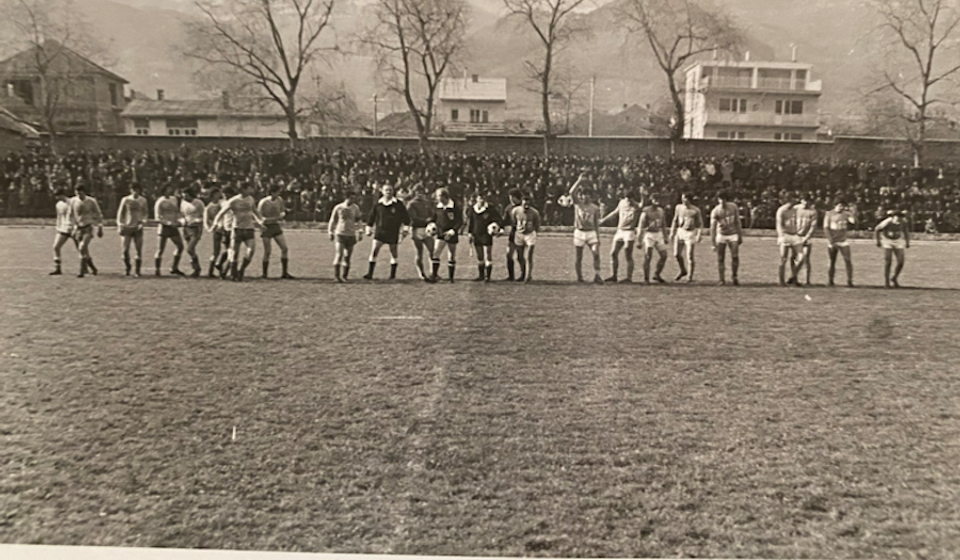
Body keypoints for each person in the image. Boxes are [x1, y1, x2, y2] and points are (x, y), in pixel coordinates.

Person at [211, 181, 263, 282]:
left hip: (249, 229)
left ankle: (241, 270)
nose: (251, 190)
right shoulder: (233, 201)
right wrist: (215, 223)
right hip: (237, 229)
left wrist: (260, 222)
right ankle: (234, 275)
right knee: (234, 254)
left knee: (251, 251)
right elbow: (220, 213)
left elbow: (255, 211)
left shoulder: (251, 199)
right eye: (249, 188)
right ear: (243, 189)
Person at [363, 183, 410, 280]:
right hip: (380, 232)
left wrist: (405, 229)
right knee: (374, 251)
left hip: (393, 232)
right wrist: (368, 228)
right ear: (382, 191)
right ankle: (370, 273)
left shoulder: (398, 204)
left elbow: (406, 218)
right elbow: (371, 217)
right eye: (386, 190)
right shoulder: (378, 204)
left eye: (390, 190)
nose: (388, 192)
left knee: (393, 253)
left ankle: (392, 275)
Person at [566, 173, 604, 284]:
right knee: (579, 256)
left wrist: (598, 236)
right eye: (583, 194)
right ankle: (579, 277)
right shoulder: (578, 204)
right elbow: (571, 192)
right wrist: (579, 181)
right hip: (579, 232)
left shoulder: (595, 208)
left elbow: (596, 223)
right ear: (581, 196)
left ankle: (597, 274)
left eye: (588, 195)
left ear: (591, 197)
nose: (585, 196)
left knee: (596, 253)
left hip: (591, 232)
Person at [600, 187, 640, 283]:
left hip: (629, 231)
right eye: (627, 199)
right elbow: (614, 213)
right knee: (613, 253)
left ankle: (629, 278)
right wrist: (603, 220)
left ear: (633, 199)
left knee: (628, 253)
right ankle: (613, 276)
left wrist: (643, 195)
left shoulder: (636, 206)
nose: (628, 201)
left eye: (630, 199)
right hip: (620, 231)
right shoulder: (622, 203)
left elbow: (642, 204)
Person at [258, 184, 294, 279]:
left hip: (275, 226)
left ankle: (284, 273)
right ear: (272, 192)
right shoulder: (263, 202)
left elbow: (282, 210)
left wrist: (283, 214)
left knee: (284, 248)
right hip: (266, 227)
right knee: (268, 251)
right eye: (278, 192)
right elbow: (260, 218)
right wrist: (275, 218)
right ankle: (264, 274)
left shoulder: (279, 200)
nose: (279, 193)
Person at [68, 184, 104, 278]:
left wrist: (100, 226)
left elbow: (98, 213)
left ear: (84, 192)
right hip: (78, 228)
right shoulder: (73, 201)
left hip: (88, 227)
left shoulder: (91, 201)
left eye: (80, 193)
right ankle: (93, 268)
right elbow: (70, 215)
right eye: (77, 193)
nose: (79, 195)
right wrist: (72, 226)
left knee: (82, 247)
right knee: (84, 251)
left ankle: (82, 271)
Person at [466, 191, 503, 282]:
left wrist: (499, 227)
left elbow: (499, 219)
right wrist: (469, 233)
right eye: (479, 197)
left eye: (483, 197)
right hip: (476, 234)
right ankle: (481, 275)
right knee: (480, 256)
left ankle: (488, 277)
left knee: (488, 254)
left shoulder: (490, 209)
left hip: (486, 234)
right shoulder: (472, 209)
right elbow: (470, 222)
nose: (481, 199)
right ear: (476, 198)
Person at [328, 190, 364, 282]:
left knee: (347, 256)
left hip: (351, 234)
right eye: (351, 198)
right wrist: (330, 231)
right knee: (339, 254)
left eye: (354, 198)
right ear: (346, 198)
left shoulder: (355, 208)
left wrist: (360, 231)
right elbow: (332, 220)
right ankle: (336, 276)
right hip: (340, 233)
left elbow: (359, 220)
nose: (353, 200)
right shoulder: (338, 207)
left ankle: (344, 276)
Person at [430, 187, 463, 283]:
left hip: (451, 234)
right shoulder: (437, 207)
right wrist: (431, 224)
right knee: (436, 253)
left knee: (451, 255)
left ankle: (451, 278)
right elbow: (434, 218)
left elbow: (460, 221)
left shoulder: (455, 206)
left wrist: (453, 231)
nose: (437, 197)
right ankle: (434, 276)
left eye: (438, 195)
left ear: (445, 196)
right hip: (440, 233)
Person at [709, 190, 743, 286]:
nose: (722, 201)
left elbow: (737, 221)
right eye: (720, 199)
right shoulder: (715, 211)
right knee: (720, 258)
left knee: (735, 256)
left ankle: (734, 276)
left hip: (733, 234)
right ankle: (721, 279)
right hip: (722, 235)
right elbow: (712, 228)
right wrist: (713, 242)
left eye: (723, 199)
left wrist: (740, 235)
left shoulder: (733, 207)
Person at [404, 187, 437, 282]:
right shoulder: (411, 204)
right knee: (419, 253)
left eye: (421, 191)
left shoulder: (427, 202)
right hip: (417, 229)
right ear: (414, 192)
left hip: (428, 229)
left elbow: (432, 213)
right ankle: (421, 273)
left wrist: (431, 220)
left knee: (432, 252)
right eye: (418, 191)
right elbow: (412, 217)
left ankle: (433, 273)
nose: (420, 193)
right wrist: (424, 220)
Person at [669, 192, 703, 283]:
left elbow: (700, 224)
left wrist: (699, 234)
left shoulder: (695, 210)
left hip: (690, 232)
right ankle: (683, 270)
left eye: (685, 198)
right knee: (676, 254)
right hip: (680, 231)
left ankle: (690, 276)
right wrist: (672, 232)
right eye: (682, 198)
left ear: (689, 199)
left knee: (690, 255)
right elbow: (675, 220)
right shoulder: (678, 207)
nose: (683, 200)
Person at [116, 182, 148, 276]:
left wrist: (143, 222)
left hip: (137, 227)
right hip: (127, 227)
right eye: (133, 190)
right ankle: (128, 266)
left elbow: (145, 213)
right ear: (131, 190)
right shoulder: (125, 200)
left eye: (137, 190)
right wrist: (119, 224)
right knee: (125, 250)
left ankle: (137, 271)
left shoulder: (143, 200)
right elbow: (120, 213)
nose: (135, 192)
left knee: (138, 250)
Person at [823, 198, 856, 287]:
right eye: (840, 205)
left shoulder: (846, 214)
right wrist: (830, 240)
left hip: (843, 240)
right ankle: (830, 280)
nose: (841, 207)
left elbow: (853, 221)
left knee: (847, 260)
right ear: (835, 205)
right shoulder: (829, 214)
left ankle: (849, 280)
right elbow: (826, 228)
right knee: (831, 261)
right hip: (833, 240)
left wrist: (852, 213)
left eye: (843, 206)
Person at [154, 183, 185, 276]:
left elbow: (177, 212)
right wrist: (168, 223)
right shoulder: (160, 201)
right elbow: (157, 217)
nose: (170, 190)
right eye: (168, 188)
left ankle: (174, 267)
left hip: (173, 228)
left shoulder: (174, 199)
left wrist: (180, 221)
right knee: (160, 249)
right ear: (164, 190)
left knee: (180, 246)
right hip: (164, 228)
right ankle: (157, 270)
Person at [510, 191, 541, 283]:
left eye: (528, 203)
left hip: (530, 234)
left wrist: (532, 230)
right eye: (524, 203)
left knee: (529, 256)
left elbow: (537, 224)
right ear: (521, 203)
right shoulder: (516, 210)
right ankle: (522, 274)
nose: (526, 205)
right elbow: (514, 221)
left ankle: (528, 276)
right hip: (519, 234)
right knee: (519, 256)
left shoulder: (534, 212)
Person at [638, 193, 669, 284]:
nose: (657, 202)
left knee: (664, 256)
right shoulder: (646, 211)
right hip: (649, 235)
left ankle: (657, 274)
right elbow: (641, 226)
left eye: (658, 200)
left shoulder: (661, 211)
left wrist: (665, 236)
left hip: (658, 234)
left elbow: (663, 224)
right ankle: (646, 279)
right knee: (648, 256)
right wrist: (639, 240)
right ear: (651, 200)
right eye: (655, 200)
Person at [875, 210, 909, 288]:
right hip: (887, 241)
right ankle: (887, 282)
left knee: (901, 261)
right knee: (888, 261)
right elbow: (877, 229)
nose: (899, 219)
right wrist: (878, 241)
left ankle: (894, 278)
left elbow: (905, 231)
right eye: (897, 217)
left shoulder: (903, 222)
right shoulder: (887, 222)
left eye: (900, 217)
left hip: (898, 240)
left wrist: (907, 242)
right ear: (893, 217)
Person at [775, 192, 803, 287]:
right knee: (783, 258)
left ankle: (792, 276)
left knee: (801, 257)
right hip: (785, 235)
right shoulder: (781, 211)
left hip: (795, 235)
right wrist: (781, 237)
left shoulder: (796, 209)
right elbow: (779, 225)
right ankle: (781, 281)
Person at [50, 188, 78, 275]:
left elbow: (77, 216)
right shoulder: (59, 204)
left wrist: (76, 227)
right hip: (64, 229)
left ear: (62, 195)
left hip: (73, 228)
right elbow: (59, 217)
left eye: (58, 196)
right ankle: (58, 268)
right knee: (56, 247)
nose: (57, 198)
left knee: (81, 248)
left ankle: (86, 266)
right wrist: (58, 226)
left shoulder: (72, 202)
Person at [180, 186, 206, 277]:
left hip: (196, 228)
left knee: (189, 249)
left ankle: (197, 268)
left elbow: (204, 216)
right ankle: (195, 270)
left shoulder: (198, 203)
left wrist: (197, 220)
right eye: (183, 196)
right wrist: (182, 220)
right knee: (192, 250)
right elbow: (182, 214)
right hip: (186, 228)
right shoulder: (183, 203)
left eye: (185, 196)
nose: (184, 198)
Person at [795, 193, 819, 286]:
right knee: (795, 258)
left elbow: (813, 227)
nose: (805, 203)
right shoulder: (796, 209)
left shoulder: (813, 211)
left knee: (805, 258)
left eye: (807, 201)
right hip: (796, 236)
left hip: (806, 237)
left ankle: (807, 280)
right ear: (801, 200)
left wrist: (807, 237)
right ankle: (795, 278)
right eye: (803, 200)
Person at [204, 188, 227, 277]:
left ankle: (219, 266)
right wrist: (210, 228)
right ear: (213, 195)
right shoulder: (209, 207)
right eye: (217, 194)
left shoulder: (223, 203)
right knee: (216, 251)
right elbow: (207, 219)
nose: (219, 195)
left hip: (225, 229)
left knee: (228, 250)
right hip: (218, 230)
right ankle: (211, 271)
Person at [503, 189, 522, 281]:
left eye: (512, 197)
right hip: (513, 233)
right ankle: (511, 276)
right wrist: (499, 229)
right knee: (509, 254)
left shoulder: (523, 206)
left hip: (522, 233)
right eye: (510, 197)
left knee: (520, 255)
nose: (510, 199)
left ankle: (523, 275)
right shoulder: (508, 208)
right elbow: (504, 221)